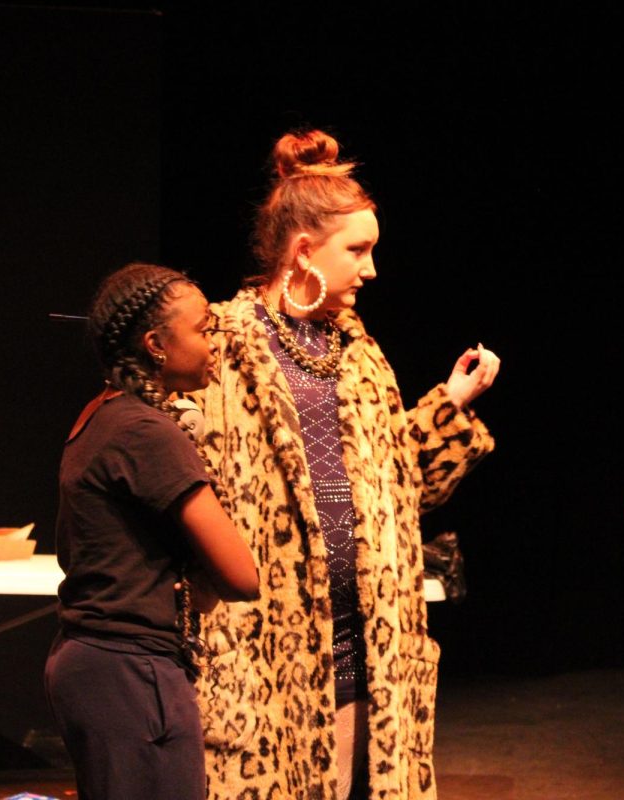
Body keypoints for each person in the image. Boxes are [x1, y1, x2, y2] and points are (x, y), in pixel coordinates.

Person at [194, 129, 499, 800]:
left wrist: (451, 404)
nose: (371, 270)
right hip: (266, 645)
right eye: (357, 251)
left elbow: (399, 492)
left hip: (364, 641)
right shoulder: (218, 347)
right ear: (304, 251)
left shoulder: (361, 356)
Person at [46, 263, 260, 800]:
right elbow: (241, 576)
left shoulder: (99, 415)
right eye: (204, 329)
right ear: (156, 344)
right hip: (131, 676)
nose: (215, 344)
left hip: (94, 667)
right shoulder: (148, 433)